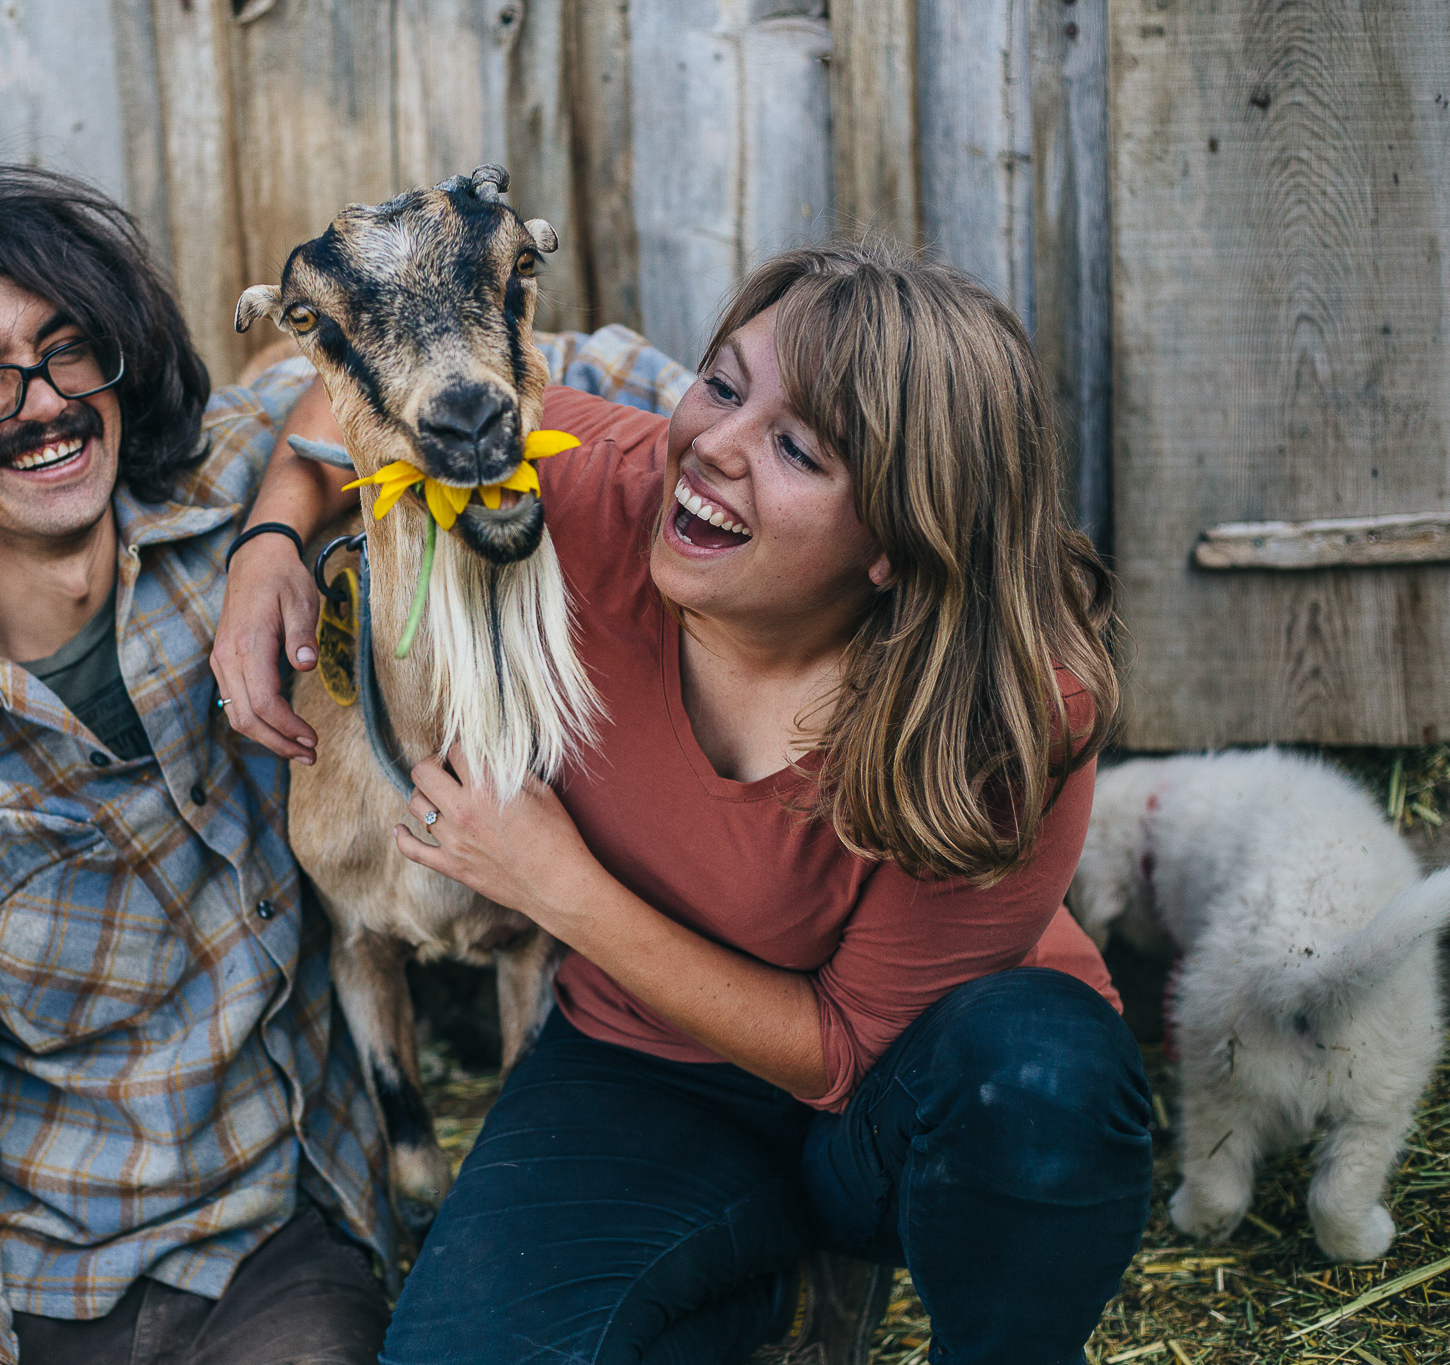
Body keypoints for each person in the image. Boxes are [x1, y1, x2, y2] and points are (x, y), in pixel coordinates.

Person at [214, 241, 1154, 1365]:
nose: (709, 445)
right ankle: (736, 1291)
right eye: (719, 384)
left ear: (901, 539)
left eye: (796, 448)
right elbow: (358, 396)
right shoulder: (599, 493)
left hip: (918, 1101)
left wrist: (555, 887)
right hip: (649, 1072)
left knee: (1040, 1078)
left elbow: (844, 1051)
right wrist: (267, 542)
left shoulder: (1007, 704)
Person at [0, 165, 401, 1365]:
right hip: (26, 1276)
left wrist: (274, 533)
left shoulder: (223, 500)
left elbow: (410, 352)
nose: (43, 403)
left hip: (264, 1246)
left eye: (66, 351)